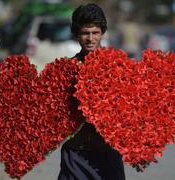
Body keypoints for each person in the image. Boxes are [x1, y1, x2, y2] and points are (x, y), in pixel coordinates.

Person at [57, 4, 126, 180]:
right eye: (84, 33)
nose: (90, 38)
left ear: (102, 32)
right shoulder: (67, 69)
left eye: (94, 32)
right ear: (76, 34)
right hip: (75, 156)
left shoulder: (118, 67)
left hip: (107, 156)